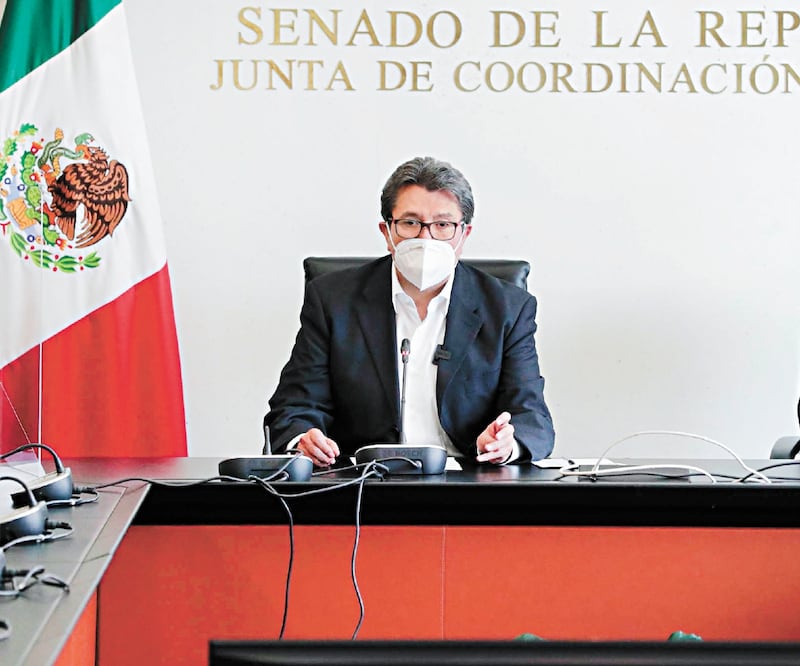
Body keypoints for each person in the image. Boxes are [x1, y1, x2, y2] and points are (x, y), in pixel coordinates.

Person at [264, 156, 554, 467]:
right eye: (410, 223)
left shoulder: (508, 307)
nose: (425, 238)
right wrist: (304, 439)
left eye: (443, 225)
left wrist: (507, 444)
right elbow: (293, 406)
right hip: (360, 482)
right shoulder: (333, 300)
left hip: (467, 481)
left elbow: (531, 415)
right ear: (387, 232)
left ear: (463, 235)